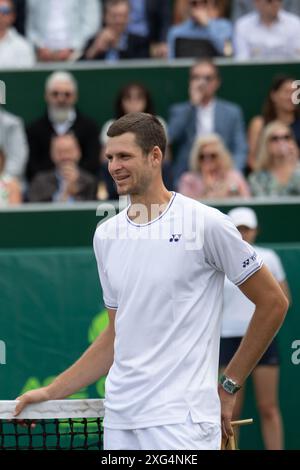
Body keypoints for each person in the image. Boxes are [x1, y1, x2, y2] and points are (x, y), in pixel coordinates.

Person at [14, 112, 288, 451]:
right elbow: (116, 336)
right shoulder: (106, 236)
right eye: (110, 157)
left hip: (182, 424)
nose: (114, 166)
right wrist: (51, 392)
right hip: (120, 422)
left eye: (124, 156)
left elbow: (274, 302)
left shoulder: (205, 224)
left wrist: (229, 385)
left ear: (155, 156)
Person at [220, 207, 291, 449]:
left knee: (268, 407)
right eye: (238, 228)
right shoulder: (220, 259)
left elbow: (282, 300)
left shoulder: (269, 257)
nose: (243, 233)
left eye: (247, 229)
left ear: (255, 231)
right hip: (225, 338)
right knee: (229, 412)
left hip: (262, 339)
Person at [168, 60, 248, 185]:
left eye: (208, 78)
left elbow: (240, 148)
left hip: (224, 176)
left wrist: (232, 174)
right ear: (190, 82)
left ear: (217, 82)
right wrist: (192, 105)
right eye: (196, 78)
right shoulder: (180, 111)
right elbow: (170, 137)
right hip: (188, 177)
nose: (202, 83)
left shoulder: (232, 112)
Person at [26, 71, 100, 182]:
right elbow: (32, 166)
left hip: (83, 189)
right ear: (46, 96)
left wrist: (76, 177)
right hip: (45, 191)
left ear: (75, 97)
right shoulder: (34, 129)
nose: (61, 99)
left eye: (67, 94)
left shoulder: (89, 127)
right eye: (55, 94)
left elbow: (93, 162)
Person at [247, 75, 300, 171]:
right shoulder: (259, 124)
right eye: (287, 92)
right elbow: (252, 159)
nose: (292, 97)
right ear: (274, 95)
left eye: (295, 93)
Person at [27, 134, 98, 203]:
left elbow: (91, 210)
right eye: (59, 152)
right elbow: (34, 208)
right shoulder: (40, 181)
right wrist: (64, 194)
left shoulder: (90, 181)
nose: (65, 156)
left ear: (78, 153)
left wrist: (74, 190)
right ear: (52, 154)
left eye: (69, 151)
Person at [178, 133, 250, 199]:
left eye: (212, 156)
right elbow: (185, 207)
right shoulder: (188, 180)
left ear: (221, 156)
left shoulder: (234, 177)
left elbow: (246, 200)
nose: (207, 160)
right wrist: (206, 189)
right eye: (202, 156)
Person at [25, 0, 101, 62]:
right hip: (41, 54)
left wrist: (72, 47)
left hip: (77, 52)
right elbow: (30, 27)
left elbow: (91, 25)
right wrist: (40, 46)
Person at [234, 0, 300, 60]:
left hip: (288, 72)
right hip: (254, 71)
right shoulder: (243, 25)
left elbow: (297, 56)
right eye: (269, 1)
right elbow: (242, 59)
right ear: (256, 2)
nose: (276, 3)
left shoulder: (295, 23)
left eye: (279, 0)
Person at [249, 121, 300, 197]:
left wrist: (294, 162)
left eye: (286, 137)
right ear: (266, 144)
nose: (281, 142)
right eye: (275, 138)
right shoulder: (257, 178)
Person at [168, 0, 232, 58]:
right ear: (188, 5)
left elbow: (227, 53)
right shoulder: (176, 32)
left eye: (204, 2)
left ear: (210, 3)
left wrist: (208, 25)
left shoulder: (224, 26)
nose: (199, 7)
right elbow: (172, 63)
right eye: (194, 3)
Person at [0, 0, 35, 68]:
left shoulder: (23, 46)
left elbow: (25, 76)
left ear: (13, 16)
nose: (0, 15)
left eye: (4, 11)